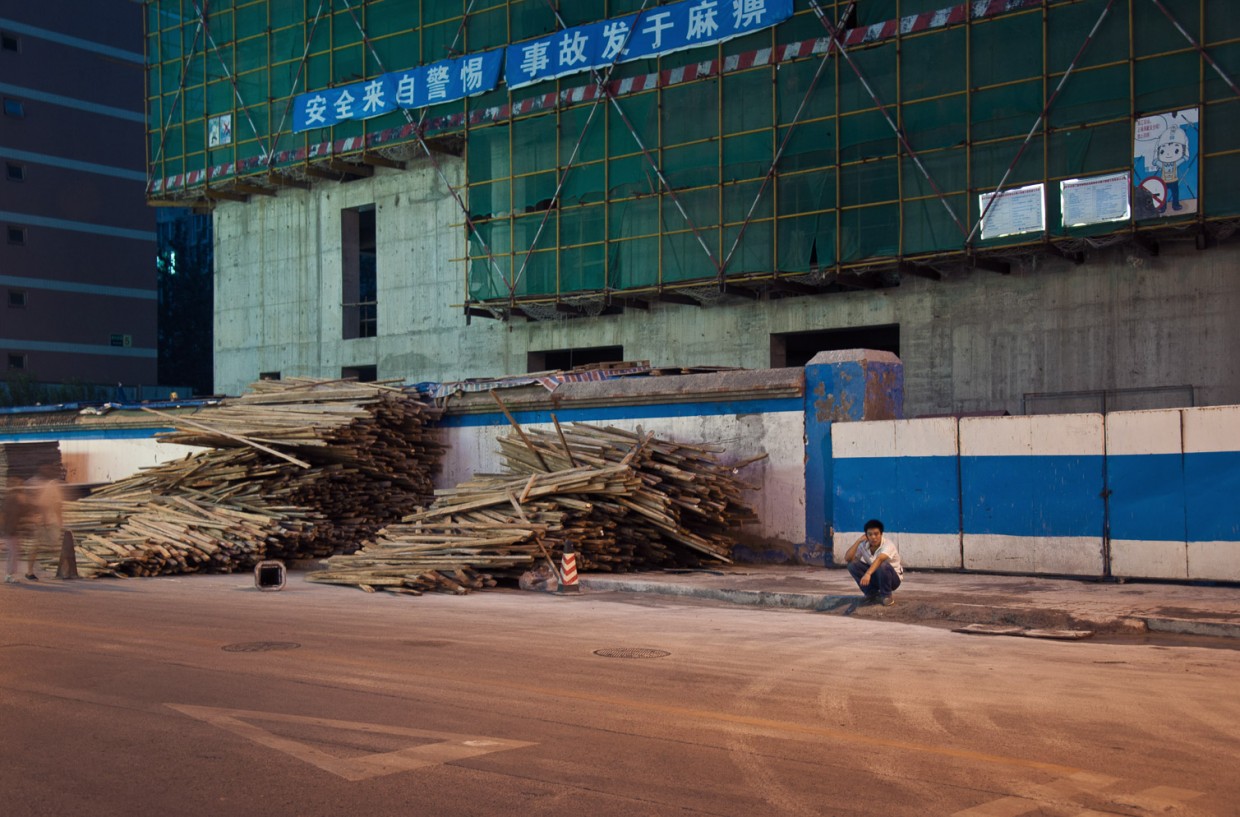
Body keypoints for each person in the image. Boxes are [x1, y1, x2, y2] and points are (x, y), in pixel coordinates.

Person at [843, 518, 903, 606]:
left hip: (893, 580)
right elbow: (848, 558)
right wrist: (858, 541)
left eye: (876, 534)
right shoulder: (863, 544)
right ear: (866, 535)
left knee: (882, 565)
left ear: (881, 534)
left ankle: (887, 596)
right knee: (852, 565)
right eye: (870, 534)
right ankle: (871, 594)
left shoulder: (888, 545)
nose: (873, 537)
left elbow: (879, 559)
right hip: (875, 575)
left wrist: (868, 574)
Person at [3, 475, 28, 584]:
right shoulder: (14, 498)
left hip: (12, 529)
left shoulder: (10, 498)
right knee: (13, 553)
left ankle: (11, 574)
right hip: (11, 529)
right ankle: (9, 574)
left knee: (14, 552)